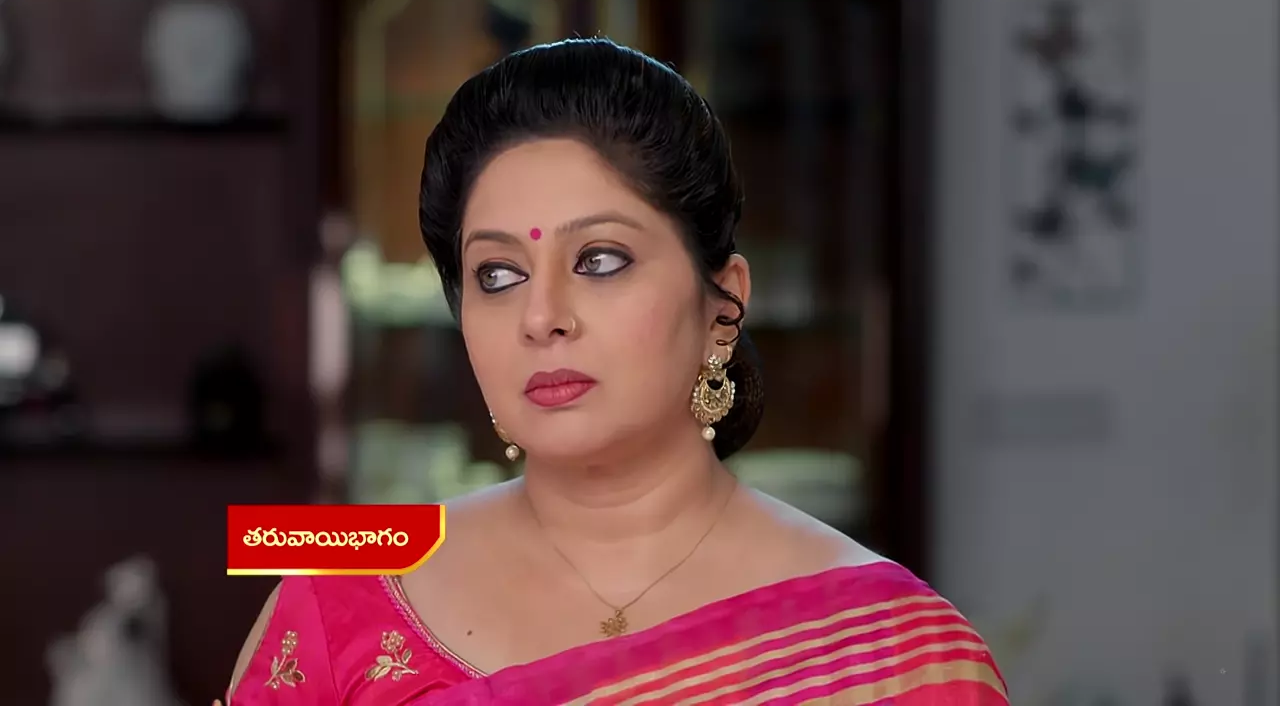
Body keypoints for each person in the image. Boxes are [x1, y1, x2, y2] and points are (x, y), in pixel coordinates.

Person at [221, 38, 1008, 705]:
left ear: (723, 304)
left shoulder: (894, 653)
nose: (541, 316)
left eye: (600, 260)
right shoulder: (342, 592)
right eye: (498, 274)